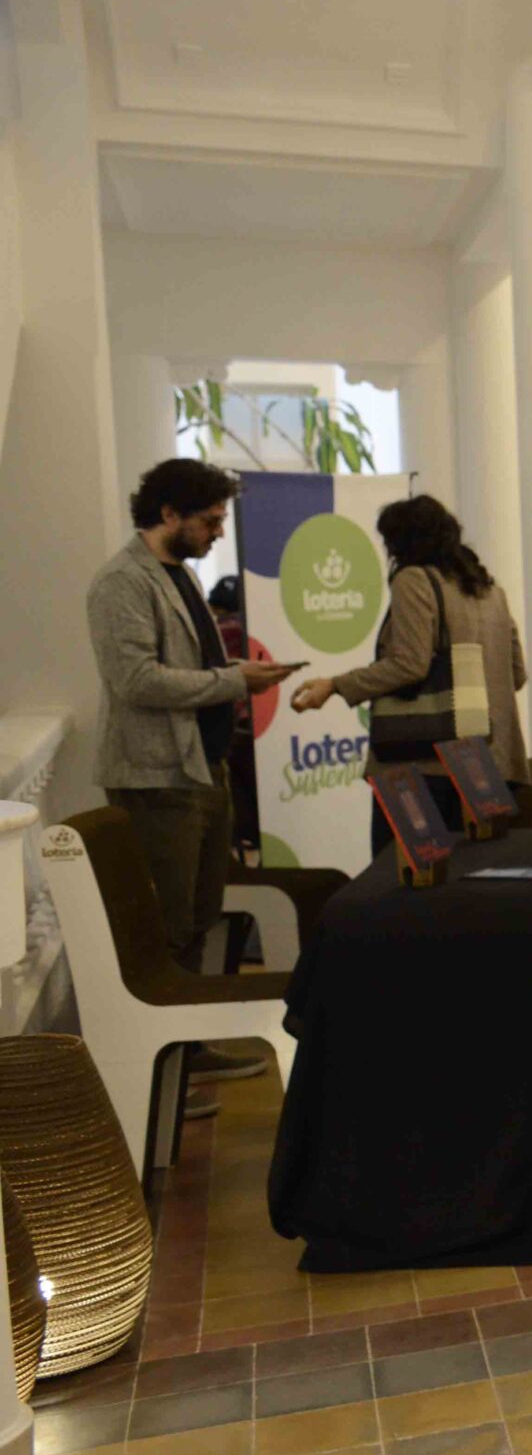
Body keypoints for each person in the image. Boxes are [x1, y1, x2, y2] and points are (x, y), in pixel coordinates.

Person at [86, 460, 303, 1103]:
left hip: (201, 770)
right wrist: (234, 680)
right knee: (168, 923)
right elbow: (137, 682)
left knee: (201, 914)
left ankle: (188, 1053)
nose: (218, 532)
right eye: (209, 521)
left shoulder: (179, 576)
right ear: (168, 513)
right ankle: (161, 1070)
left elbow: (187, 666)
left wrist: (236, 672)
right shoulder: (121, 582)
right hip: (156, 777)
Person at [289, 496, 529, 854]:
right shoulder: (491, 591)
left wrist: (336, 685)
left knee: (405, 876)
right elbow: (517, 675)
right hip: (491, 763)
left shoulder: (414, 579)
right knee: (477, 875)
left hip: (425, 763)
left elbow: (410, 664)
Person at [205, 575, 259, 857]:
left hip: (232, 723)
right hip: (252, 719)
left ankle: (245, 834)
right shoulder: (246, 628)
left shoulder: (219, 630)